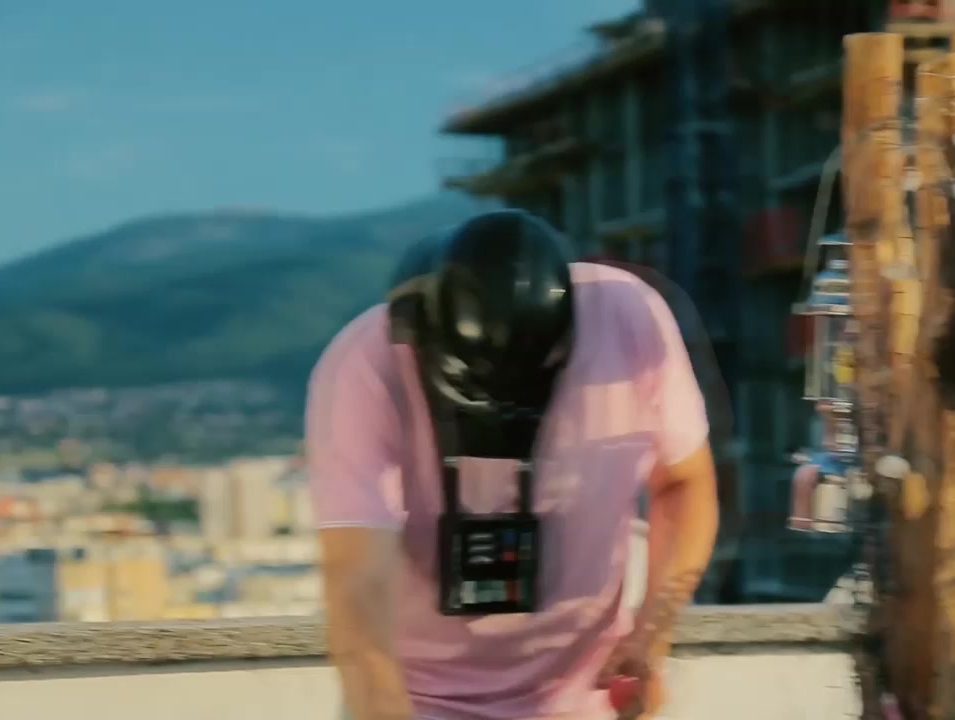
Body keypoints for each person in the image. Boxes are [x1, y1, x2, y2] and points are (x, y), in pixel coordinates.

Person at [306, 209, 720, 720]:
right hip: (417, 703)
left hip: (585, 695)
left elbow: (682, 482)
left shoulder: (628, 319)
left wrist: (651, 634)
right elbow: (357, 584)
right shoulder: (365, 363)